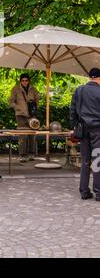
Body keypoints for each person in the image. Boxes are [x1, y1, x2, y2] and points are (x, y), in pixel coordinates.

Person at [70, 68, 100, 201]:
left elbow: (72, 110)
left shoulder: (79, 90)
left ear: (89, 77)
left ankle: (84, 191)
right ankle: (98, 192)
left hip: (83, 129)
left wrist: (74, 126)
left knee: (85, 160)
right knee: (97, 160)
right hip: (98, 129)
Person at [8, 73, 40, 162]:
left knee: (32, 135)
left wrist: (33, 106)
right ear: (20, 81)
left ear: (29, 81)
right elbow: (10, 101)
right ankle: (22, 155)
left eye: (26, 80)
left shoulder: (33, 89)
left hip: (31, 115)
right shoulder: (15, 89)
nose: (24, 82)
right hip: (20, 115)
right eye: (23, 80)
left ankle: (31, 154)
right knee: (23, 136)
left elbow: (37, 99)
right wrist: (18, 107)